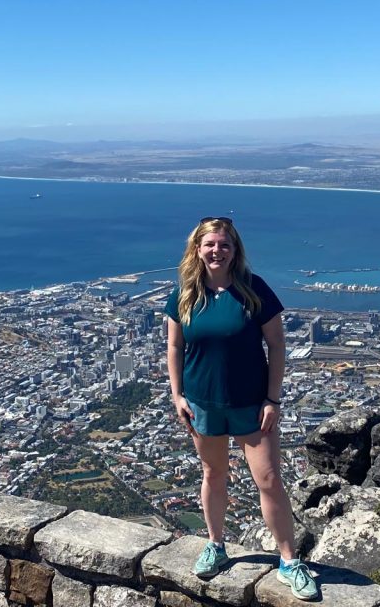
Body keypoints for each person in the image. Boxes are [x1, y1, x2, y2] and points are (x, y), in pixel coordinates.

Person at [164, 217, 319, 601]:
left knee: (269, 479)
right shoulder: (185, 293)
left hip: (251, 402)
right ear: (197, 249)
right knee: (213, 474)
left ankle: (289, 561)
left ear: (235, 250)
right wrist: (177, 395)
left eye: (224, 244)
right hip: (203, 402)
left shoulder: (254, 289)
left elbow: (277, 345)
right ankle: (215, 545)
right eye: (210, 244)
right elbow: (175, 347)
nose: (217, 251)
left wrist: (273, 399)